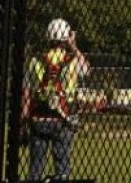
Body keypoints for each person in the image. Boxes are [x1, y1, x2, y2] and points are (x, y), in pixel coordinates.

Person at [22, 18, 90, 182]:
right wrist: (74, 46)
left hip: (38, 118)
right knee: (62, 168)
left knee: (35, 169)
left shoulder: (35, 60)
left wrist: (23, 120)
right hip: (63, 119)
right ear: (67, 37)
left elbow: (26, 93)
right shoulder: (72, 61)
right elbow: (86, 71)